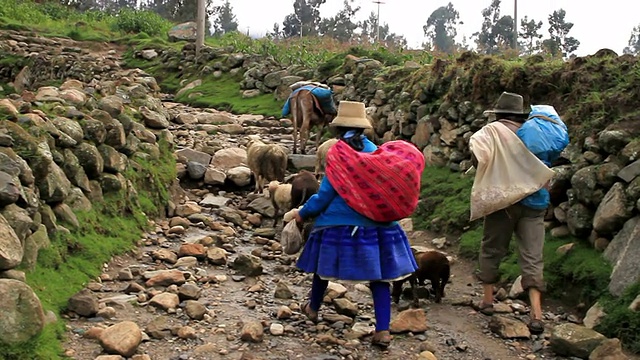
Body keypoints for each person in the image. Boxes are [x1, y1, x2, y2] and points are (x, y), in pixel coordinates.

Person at [288, 101, 418, 349]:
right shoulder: (378, 153)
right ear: (363, 128)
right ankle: (383, 330)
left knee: (321, 270)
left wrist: (303, 213)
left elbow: (325, 195)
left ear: (338, 129)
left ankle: (313, 308)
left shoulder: (338, 153)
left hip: (340, 225)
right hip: (379, 226)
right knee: (380, 279)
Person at [470, 92, 552, 335]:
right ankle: (536, 314)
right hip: (535, 202)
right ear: (519, 114)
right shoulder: (535, 133)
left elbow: (479, 160)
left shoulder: (491, 131)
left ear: (498, 113)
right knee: (533, 255)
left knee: (492, 247)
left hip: (503, 201)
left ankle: (487, 302)